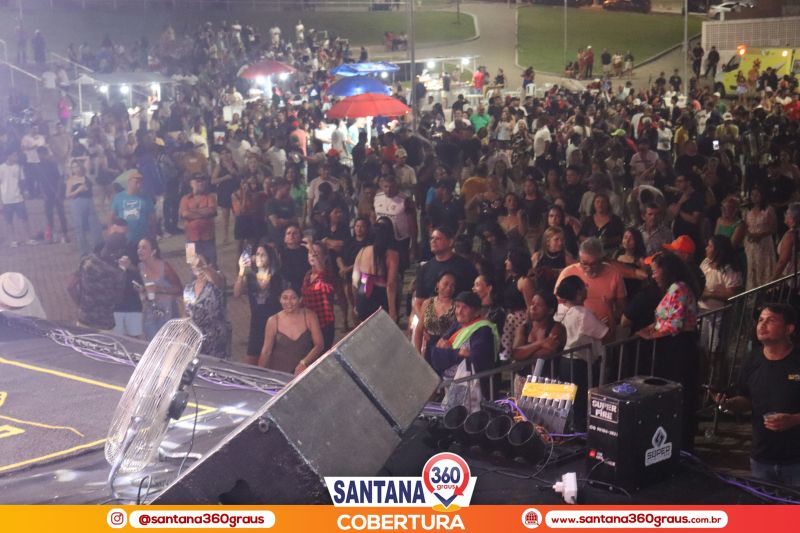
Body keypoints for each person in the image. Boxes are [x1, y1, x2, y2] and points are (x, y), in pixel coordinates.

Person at [716, 304, 800, 487]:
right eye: (761, 319)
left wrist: (794, 420)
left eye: (771, 320)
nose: (762, 325)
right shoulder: (752, 359)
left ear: (789, 329)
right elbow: (747, 400)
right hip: (762, 457)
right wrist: (729, 403)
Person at [637, 252, 701, 452]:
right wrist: (648, 329)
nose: (653, 276)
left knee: (679, 394)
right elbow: (663, 320)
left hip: (679, 349)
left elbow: (674, 324)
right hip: (674, 347)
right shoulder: (675, 288)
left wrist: (650, 335)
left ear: (666, 270)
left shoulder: (679, 289)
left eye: (655, 271)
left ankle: (681, 445)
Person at [554, 275, 609, 430]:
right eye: (584, 287)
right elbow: (606, 335)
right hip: (580, 363)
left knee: (567, 401)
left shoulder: (560, 310)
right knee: (581, 402)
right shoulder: (583, 314)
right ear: (578, 292)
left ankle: (566, 430)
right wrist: (609, 309)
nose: (586, 289)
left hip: (564, 361)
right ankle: (580, 431)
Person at [431, 291, 499, 411]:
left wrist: (449, 353)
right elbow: (435, 355)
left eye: (465, 307)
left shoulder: (483, 330)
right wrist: (458, 353)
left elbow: (477, 358)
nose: (459, 311)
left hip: (474, 394)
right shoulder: (457, 326)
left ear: (477, 312)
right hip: (452, 387)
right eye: (457, 306)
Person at [555, 237, 626, 330]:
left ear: (601, 260)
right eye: (584, 263)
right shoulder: (568, 273)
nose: (589, 268)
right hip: (575, 328)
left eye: (594, 264)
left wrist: (610, 320)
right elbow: (559, 303)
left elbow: (622, 306)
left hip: (606, 329)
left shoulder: (614, 274)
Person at [413, 227, 479, 321]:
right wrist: (426, 323)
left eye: (438, 238)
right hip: (429, 320)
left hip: (459, 321)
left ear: (450, 242)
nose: (433, 241)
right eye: (432, 238)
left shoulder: (466, 266)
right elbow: (419, 301)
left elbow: (475, 297)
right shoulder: (425, 268)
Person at [234, 244, 284, 366]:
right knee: (251, 362)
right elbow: (236, 293)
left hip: (274, 324)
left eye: (263, 255)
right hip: (256, 324)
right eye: (257, 254)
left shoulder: (277, 278)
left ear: (270, 257)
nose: (259, 257)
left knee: (270, 361)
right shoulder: (250, 277)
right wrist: (241, 272)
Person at [67, 233, 128, 331]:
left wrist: (80, 305)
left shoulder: (86, 261)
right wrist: (123, 269)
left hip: (84, 319)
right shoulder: (117, 273)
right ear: (119, 251)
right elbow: (118, 300)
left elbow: (70, 286)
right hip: (104, 324)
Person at [512, 291, 567, 398]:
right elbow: (516, 353)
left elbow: (545, 352)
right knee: (520, 409)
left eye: (539, 305)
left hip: (548, 382)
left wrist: (523, 354)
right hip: (522, 380)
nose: (533, 307)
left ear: (550, 310)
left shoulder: (557, 328)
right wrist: (541, 343)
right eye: (532, 303)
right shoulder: (523, 328)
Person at [259, 285, 324, 376]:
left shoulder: (309, 316)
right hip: (278, 373)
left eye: (293, 298)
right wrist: (259, 373)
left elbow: (319, 345)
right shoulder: (273, 321)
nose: (289, 302)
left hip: (303, 373)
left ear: (300, 299)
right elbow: (266, 351)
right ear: (280, 300)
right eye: (285, 298)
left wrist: (304, 363)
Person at [351, 216, 399, 323]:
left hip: (363, 293)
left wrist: (355, 303)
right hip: (381, 296)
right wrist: (392, 310)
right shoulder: (392, 254)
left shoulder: (362, 251)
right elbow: (391, 285)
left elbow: (354, 281)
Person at [183, 253, 231, 359]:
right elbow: (186, 312)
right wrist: (182, 330)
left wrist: (204, 267)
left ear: (210, 265)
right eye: (195, 265)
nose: (198, 267)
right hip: (196, 337)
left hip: (216, 337)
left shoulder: (217, 281)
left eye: (201, 263)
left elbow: (219, 281)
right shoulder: (189, 288)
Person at [136, 236, 182, 340]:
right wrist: (142, 291)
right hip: (150, 310)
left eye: (144, 248)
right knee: (152, 340)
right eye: (138, 248)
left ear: (153, 251)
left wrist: (160, 289)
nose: (139, 250)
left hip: (168, 311)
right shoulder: (140, 267)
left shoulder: (165, 267)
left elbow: (179, 289)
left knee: (167, 341)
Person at [413, 271, 457, 362]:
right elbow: (419, 330)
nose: (449, 288)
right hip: (429, 349)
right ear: (437, 284)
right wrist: (417, 354)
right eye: (445, 284)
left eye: (452, 285)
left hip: (448, 350)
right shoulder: (427, 303)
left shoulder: (457, 306)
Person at [500, 248, 535, 361]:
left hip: (520, 320)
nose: (506, 262)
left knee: (516, 351)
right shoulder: (510, 278)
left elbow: (530, 306)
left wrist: (526, 326)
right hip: (509, 318)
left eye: (508, 259)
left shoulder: (524, 281)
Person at [302, 242, 337, 350]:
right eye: (310, 253)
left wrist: (310, 247)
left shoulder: (328, 274)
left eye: (316, 253)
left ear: (325, 257)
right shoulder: (308, 274)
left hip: (323, 324)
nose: (312, 255)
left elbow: (322, 273)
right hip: (309, 324)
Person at [65, 157, 102, 256]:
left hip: (89, 202)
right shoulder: (71, 180)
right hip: (78, 203)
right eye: (73, 167)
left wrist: (75, 158)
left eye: (77, 166)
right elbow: (67, 195)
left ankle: (97, 248)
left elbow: (87, 158)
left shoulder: (86, 175)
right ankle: (84, 252)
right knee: (80, 227)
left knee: (94, 225)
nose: (76, 169)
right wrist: (78, 190)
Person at [180, 174, 218, 268]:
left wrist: (192, 212)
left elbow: (211, 211)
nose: (201, 183)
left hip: (208, 238)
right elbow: (185, 214)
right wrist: (203, 213)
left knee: (212, 265)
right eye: (197, 181)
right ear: (191, 183)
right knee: (193, 266)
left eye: (202, 181)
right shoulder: (185, 198)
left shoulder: (210, 197)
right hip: (190, 238)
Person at [111, 171, 156, 251]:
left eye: (141, 182)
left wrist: (153, 236)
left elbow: (152, 218)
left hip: (142, 240)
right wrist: (111, 233)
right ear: (129, 182)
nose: (139, 185)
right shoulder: (119, 197)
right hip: (124, 240)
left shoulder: (146, 198)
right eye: (136, 182)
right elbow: (112, 217)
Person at [0, 151, 37, 247]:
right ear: (8, 156)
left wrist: (25, 192)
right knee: (9, 221)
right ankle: (13, 240)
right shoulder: (1, 168)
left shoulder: (18, 167)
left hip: (18, 198)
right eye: (14, 155)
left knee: (24, 219)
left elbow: (22, 181)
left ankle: (28, 238)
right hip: (6, 199)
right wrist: (1, 201)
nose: (16, 157)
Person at [743, 186, 777, 289]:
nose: (754, 197)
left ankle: (765, 290)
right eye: (752, 195)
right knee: (751, 266)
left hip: (764, 242)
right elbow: (744, 226)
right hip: (751, 242)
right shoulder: (747, 210)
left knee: (763, 265)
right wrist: (749, 235)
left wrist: (760, 235)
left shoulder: (768, 209)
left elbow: (774, 228)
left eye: (757, 195)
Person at [279, 225, 310, 293]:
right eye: (288, 233)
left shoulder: (307, 252)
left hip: (306, 285)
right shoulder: (280, 254)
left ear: (300, 237)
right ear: (284, 238)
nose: (291, 235)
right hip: (287, 288)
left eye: (295, 233)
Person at [774, 202, 800, 280]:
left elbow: (782, 261)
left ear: (792, 217)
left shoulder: (790, 235)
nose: (784, 215)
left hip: (791, 276)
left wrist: (773, 279)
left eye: (786, 213)